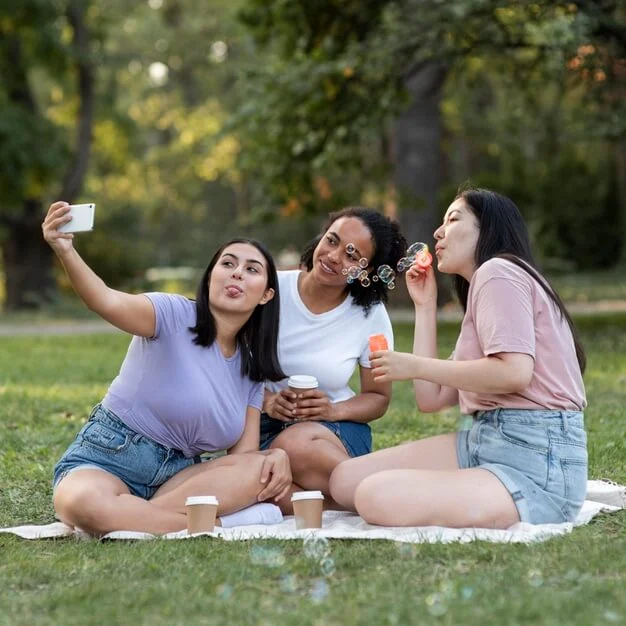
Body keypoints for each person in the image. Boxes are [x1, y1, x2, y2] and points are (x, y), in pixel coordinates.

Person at [329, 188, 588, 528]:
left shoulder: (499, 272)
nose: (438, 233)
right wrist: (425, 305)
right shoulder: (489, 288)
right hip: (484, 440)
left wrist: (414, 365)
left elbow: (514, 373)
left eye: (452, 219)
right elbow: (430, 398)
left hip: (536, 462)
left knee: (373, 496)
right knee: (344, 480)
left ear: (489, 229)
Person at [43, 201, 291, 536]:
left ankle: (135, 516)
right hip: (109, 458)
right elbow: (104, 299)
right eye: (228, 263)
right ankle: (216, 524)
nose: (236, 272)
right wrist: (66, 251)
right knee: (83, 504)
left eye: (251, 269)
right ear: (210, 278)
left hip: (179, 479)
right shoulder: (171, 314)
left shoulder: (252, 370)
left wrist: (275, 457)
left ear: (266, 294)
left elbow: (242, 460)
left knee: (262, 466)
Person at [261, 207, 407, 512]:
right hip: (261, 425)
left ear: (366, 272)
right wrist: (266, 401)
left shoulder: (371, 316)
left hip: (332, 435)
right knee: (257, 479)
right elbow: (223, 366)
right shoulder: (269, 290)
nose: (333, 256)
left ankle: (385, 495)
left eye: (352, 256)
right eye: (332, 240)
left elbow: (378, 398)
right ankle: (343, 501)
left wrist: (331, 409)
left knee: (292, 447)